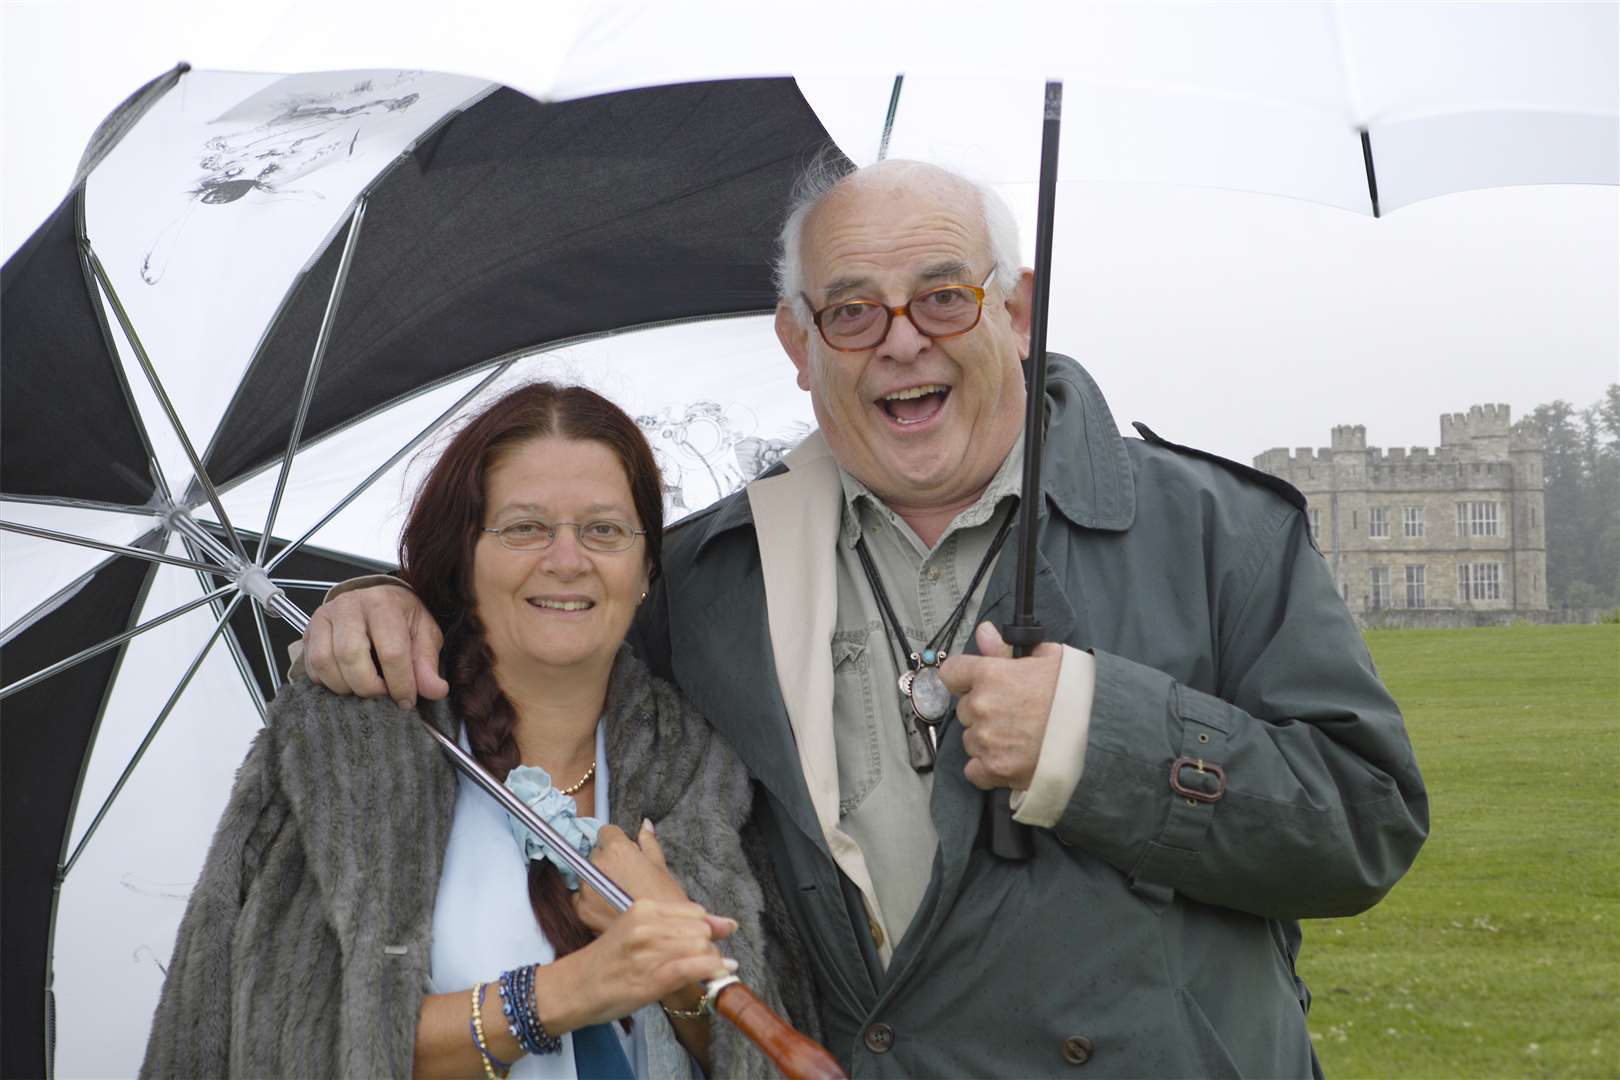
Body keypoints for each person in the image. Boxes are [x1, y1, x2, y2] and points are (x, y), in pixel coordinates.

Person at [302, 159, 1429, 1077]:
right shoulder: (709, 578)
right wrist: (391, 600)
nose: (901, 340)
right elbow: (548, 630)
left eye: (944, 295)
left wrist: (1099, 740)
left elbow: (1365, 823)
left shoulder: (1216, 531)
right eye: (851, 311)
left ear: (1017, 309)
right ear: (797, 347)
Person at [141, 383, 813, 1079]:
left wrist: (682, 979)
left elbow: (773, 1048)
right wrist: (562, 995)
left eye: (604, 530)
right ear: (464, 559)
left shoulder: (700, 767)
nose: (566, 559)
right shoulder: (351, 751)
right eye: (524, 527)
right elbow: (275, 1046)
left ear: (646, 570)